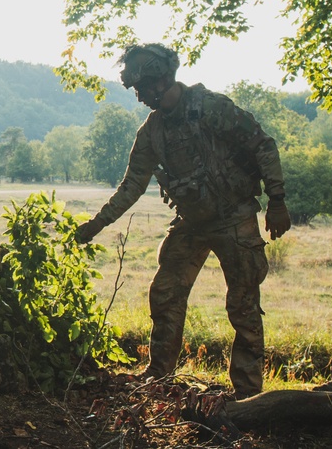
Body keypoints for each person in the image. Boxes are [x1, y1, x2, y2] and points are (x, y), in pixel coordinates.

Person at [76, 43, 291, 399]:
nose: (140, 97)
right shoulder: (151, 133)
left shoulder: (211, 108)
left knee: (243, 304)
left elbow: (263, 145)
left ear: (161, 80)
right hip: (191, 222)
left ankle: (249, 395)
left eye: (142, 89)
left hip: (234, 217)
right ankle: (159, 376)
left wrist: (278, 202)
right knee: (165, 292)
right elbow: (132, 185)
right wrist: (98, 223)